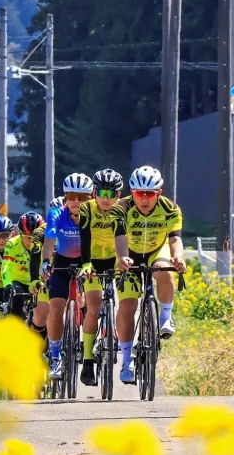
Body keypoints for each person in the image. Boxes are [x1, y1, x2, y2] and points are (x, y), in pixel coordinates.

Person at [113, 165, 187, 384]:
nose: (144, 199)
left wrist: (178, 258)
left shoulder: (171, 208)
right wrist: (123, 258)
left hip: (156, 249)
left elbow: (175, 238)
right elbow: (120, 238)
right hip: (130, 254)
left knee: (164, 271)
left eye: (150, 194)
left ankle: (165, 317)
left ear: (159, 193)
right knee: (127, 307)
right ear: (131, 192)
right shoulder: (121, 208)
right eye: (138, 193)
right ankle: (126, 360)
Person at [40, 173, 94, 380]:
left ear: (90, 198)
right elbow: (49, 240)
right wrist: (46, 262)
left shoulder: (94, 215)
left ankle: (94, 339)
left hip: (86, 261)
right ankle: (55, 357)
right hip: (62, 260)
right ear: (65, 198)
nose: (77, 202)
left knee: (91, 302)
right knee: (55, 307)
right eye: (72, 196)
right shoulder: (56, 214)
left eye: (82, 197)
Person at [76, 169, 124, 386]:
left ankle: (114, 333)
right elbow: (84, 238)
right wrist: (86, 264)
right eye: (102, 193)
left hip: (114, 259)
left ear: (118, 195)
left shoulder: (122, 210)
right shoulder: (87, 209)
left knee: (122, 301)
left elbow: (124, 238)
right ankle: (87, 361)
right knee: (94, 307)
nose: (106, 198)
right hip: (92, 261)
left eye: (111, 194)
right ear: (94, 193)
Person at [2, 212, 50, 336]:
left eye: (34, 237)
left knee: (44, 315)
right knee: (17, 302)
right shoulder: (12, 244)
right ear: (20, 234)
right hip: (20, 282)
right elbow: (6, 266)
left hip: (40, 282)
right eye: (27, 237)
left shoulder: (47, 245)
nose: (31, 241)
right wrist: (7, 284)